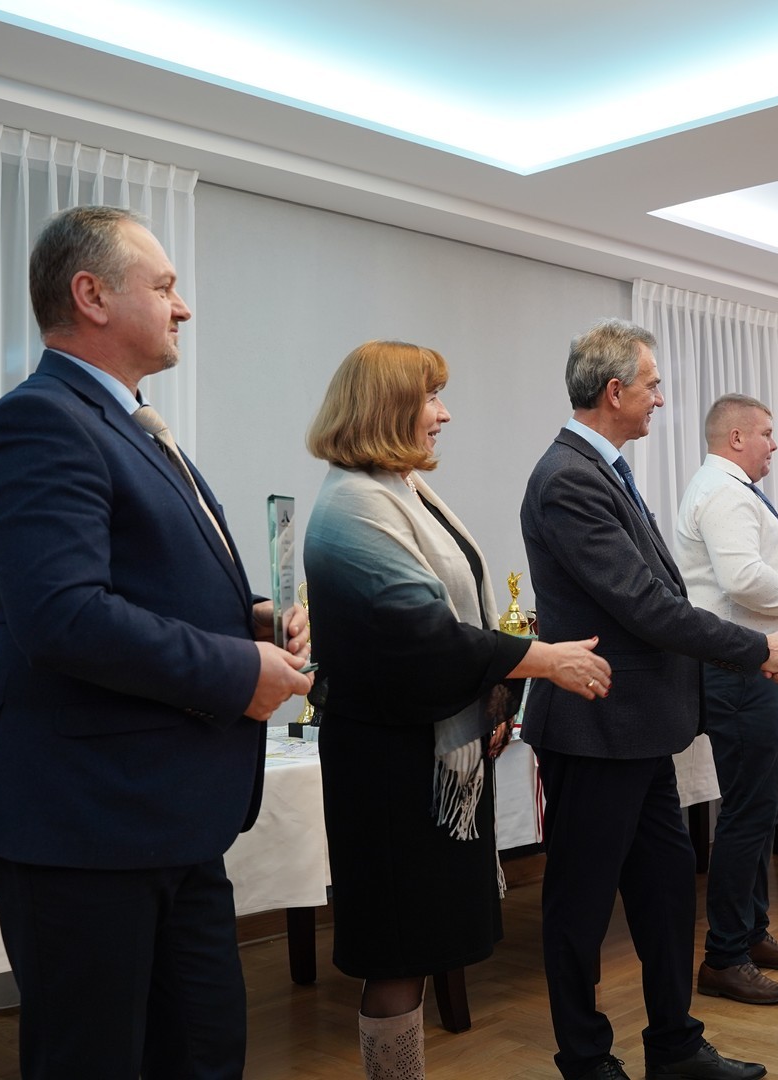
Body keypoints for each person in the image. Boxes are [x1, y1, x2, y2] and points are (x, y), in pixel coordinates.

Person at [0, 205, 314, 1078]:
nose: (182, 306)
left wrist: (250, 617)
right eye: (164, 286)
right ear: (93, 296)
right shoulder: (40, 422)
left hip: (164, 816)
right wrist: (238, 670)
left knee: (204, 1053)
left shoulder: (126, 421)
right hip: (84, 821)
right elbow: (64, 616)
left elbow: (144, 583)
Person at [519, 317, 778, 1080]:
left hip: (640, 726)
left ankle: (675, 1046)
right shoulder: (568, 479)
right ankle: (585, 1058)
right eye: (652, 386)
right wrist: (758, 648)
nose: (660, 399)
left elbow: (663, 598)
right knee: (581, 908)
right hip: (597, 728)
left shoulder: (603, 471)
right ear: (613, 390)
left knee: (663, 891)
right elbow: (646, 607)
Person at [302, 340, 612, 1079]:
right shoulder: (355, 503)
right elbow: (424, 634)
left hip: (421, 751)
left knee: (418, 945)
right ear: (387, 407)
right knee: (398, 952)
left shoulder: (401, 488)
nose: (444, 414)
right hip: (388, 767)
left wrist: (502, 686)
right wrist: (544, 660)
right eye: (431, 397)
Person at [674, 394, 778, 1006]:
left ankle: (750, 934)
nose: (774, 443)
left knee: (761, 808)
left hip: (746, 667)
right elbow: (741, 579)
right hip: (741, 671)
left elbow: (741, 576)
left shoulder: (727, 488)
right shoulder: (725, 491)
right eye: (766, 432)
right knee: (749, 813)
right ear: (737, 437)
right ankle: (725, 957)